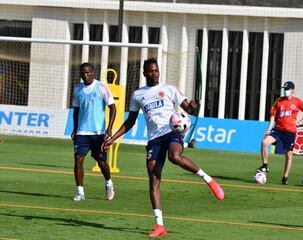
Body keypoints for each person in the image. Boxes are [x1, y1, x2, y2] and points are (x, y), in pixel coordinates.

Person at [103, 58, 224, 238]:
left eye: (156, 70)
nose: (154, 73)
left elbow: (188, 110)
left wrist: (192, 106)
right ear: (144, 73)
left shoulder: (169, 89)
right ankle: (159, 226)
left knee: (174, 156)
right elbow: (130, 121)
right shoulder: (138, 95)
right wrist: (112, 138)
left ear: (159, 72)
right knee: (153, 181)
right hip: (154, 140)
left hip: (171, 131)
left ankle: (208, 179)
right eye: (150, 71)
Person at [71, 62, 117, 201]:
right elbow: (76, 110)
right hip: (82, 133)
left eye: (88, 72)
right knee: (78, 160)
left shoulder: (101, 87)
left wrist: (109, 128)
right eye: (83, 73)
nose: (86, 75)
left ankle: (109, 184)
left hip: (99, 133)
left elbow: (113, 107)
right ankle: (80, 192)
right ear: (80, 74)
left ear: (93, 72)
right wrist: (74, 129)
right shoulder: (77, 89)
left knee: (101, 162)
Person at [257, 81, 303, 185]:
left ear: (293, 90)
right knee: (264, 143)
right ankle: (265, 166)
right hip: (278, 129)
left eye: (288, 89)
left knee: (288, 155)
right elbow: (272, 116)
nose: (286, 91)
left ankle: (285, 177)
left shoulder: (297, 102)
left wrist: (300, 122)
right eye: (285, 89)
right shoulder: (279, 101)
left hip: (290, 132)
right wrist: (268, 130)